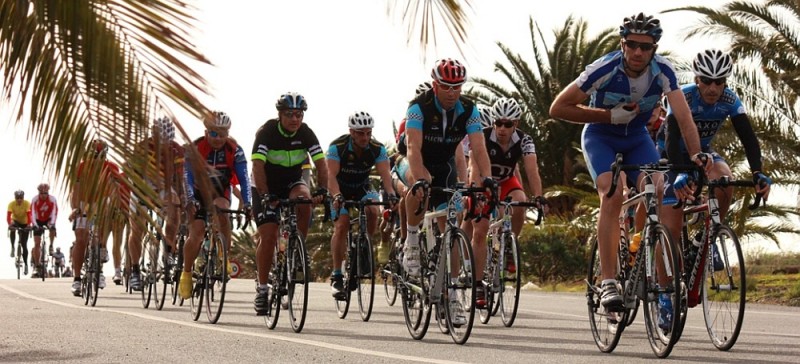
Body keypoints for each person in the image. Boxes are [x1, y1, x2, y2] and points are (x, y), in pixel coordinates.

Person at [549, 12, 707, 328]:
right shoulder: (604, 68)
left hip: (636, 138)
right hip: (600, 136)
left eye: (645, 47)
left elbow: (684, 117)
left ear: (654, 49)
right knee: (613, 193)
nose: (638, 52)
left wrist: (696, 155)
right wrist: (608, 116)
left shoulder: (662, 71)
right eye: (632, 44)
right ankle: (609, 281)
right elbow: (558, 107)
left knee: (660, 187)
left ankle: (648, 259)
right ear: (622, 44)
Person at [660, 48, 771, 270]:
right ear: (696, 79)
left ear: (725, 82)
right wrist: (679, 171)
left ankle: (706, 237)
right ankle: (666, 285)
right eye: (706, 81)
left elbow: (748, 139)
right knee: (672, 227)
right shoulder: (683, 96)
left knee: (725, 180)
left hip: (702, 152)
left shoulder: (730, 100)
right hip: (670, 153)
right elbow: (671, 137)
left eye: (719, 82)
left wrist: (757, 172)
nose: (712, 88)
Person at [251, 92, 328, 315]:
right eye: (289, 114)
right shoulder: (267, 132)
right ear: (280, 115)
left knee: (304, 200)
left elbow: (321, 164)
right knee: (268, 235)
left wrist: (322, 190)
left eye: (299, 114)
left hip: (291, 181)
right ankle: (262, 289)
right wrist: (265, 195)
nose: (295, 119)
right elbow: (257, 167)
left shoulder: (306, 133)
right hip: (265, 183)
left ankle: (297, 249)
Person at [468, 97, 545, 307]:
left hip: (506, 181)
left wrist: (538, 196)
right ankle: (477, 284)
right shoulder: (482, 136)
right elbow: (474, 167)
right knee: (480, 230)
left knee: (520, 201)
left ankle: (509, 245)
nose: (502, 128)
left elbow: (532, 170)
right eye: (498, 123)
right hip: (483, 181)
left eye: (507, 124)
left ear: (516, 124)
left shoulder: (525, 140)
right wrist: (477, 192)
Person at [178, 111, 252, 299]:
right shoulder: (195, 148)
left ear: (228, 133)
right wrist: (190, 199)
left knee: (222, 212)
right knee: (196, 233)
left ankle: (222, 256)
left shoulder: (235, 150)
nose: (218, 138)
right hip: (197, 192)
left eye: (222, 134)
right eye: (213, 133)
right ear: (206, 132)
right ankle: (186, 273)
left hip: (220, 191)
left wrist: (247, 203)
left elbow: (244, 180)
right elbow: (187, 176)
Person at [326, 111, 397, 299]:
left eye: (368, 133)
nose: (365, 137)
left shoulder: (377, 148)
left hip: (361, 186)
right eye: (360, 133)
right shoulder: (337, 147)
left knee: (373, 209)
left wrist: (391, 194)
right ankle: (337, 275)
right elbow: (330, 176)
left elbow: (386, 176)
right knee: (341, 225)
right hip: (339, 188)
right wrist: (336, 196)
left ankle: (363, 246)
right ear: (351, 132)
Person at [126, 116, 186, 290]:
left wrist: (182, 198)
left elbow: (179, 177)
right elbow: (134, 175)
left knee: (175, 206)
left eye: (167, 141)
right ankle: (135, 270)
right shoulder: (142, 148)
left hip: (164, 186)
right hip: (141, 185)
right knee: (137, 228)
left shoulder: (176, 149)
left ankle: (169, 249)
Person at [69, 140, 126, 295]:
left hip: (101, 202)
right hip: (84, 202)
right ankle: (77, 279)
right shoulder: (81, 167)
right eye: (94, 156)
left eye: (100, 156)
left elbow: (115, 191)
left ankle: (99, 269)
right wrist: (75, 208)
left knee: (99, 237)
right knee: (81, 239)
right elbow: (75, 190)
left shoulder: (112, 167)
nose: (96, 160)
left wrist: (115, 209)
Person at [30, 183, 59, 277]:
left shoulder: (52, 199)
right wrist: (35, 225)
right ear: (39, 193)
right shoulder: (35, 199)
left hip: (48, 219)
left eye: (45, 193)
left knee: (52, 228)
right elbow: (32, 213)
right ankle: (37, 264)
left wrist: (52, 224)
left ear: (48, 193)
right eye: (41, 193)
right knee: (37, 243)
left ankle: (51, 245)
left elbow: (54, 212)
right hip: (38, 220)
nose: (43, 195)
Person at [7, 190, 32, 274]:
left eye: (21, 198)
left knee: (24, 245)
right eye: (17, 198)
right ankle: (13, 247)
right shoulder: (11, 204)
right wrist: (9, 224)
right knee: (12, 227)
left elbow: (29, 215)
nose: (19, 200)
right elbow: (8, 216)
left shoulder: (27, 203)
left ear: (23, 198)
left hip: (25, 223)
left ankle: (26, 264)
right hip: (16, 221)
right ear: (15, 198)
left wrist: (29, 225)